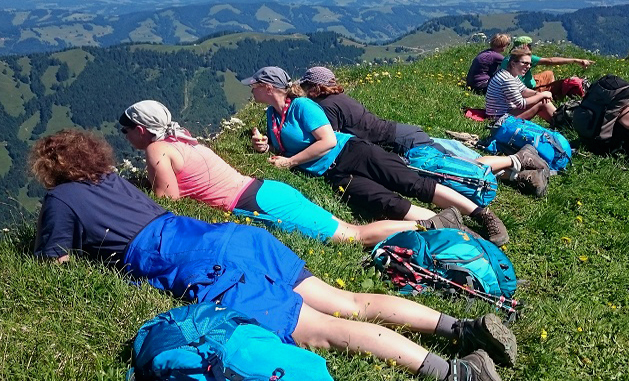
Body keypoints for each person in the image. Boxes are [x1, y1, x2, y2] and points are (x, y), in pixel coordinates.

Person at [30, 129, 517, 381]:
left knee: (323, 330)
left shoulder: (60, 199)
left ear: (49, 170)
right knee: (347, 300)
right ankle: (465, 330)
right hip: (231, 238)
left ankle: (457, 373)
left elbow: (56, 266)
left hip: (205, 265)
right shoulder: (107, 178)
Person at [119, 99, 459, 247]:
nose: (125, 136)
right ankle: (433, 223)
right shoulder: (181, 138)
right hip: (264, 189)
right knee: (349, 231)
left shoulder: (156, 149)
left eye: (126, 129)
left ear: (142, 129)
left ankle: (430, 226)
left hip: (257, 202)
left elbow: (169, 200)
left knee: (351, 236)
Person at [244, 66, 510, 246]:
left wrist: (290, 162)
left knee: (411, 183)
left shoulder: (302, 105)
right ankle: (455, 230)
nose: (251, 90)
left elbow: (328, 140)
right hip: (333, 173)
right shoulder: (271, 115)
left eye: (254, 86)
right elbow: (284, 147)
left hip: (354, 152)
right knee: (387, 204)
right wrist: (265, 146)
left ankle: (481, 214)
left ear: (269, 87)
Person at [299, 64, 552, 207]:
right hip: (404, 134)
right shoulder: (339, 97)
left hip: (402, 144)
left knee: (457, 169)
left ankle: (515, 159)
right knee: (455, 168)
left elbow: (333, 142)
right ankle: (522, 174)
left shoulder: (325, 106)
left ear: (312, 87)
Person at [502, 36, 594, 100]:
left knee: (548, 73)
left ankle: (551, 94)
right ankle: (551, 95)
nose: (531, 48)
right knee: (563, 84)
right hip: (526, 91)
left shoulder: (509, 58)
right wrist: (575, 60)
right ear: (525, 46)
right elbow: (550, 61)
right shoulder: (524, 57)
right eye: (529, 45)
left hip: (517, 89)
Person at [486, 48, 558, 125]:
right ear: (513, 64)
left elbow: (523, 90)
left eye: (530, 64)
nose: (528, 66)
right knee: (542, 102)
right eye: (525, 63)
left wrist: (538, 94)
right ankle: (562, 122)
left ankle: (559, 121)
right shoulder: (507, 79)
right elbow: (521, 103)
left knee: (542, 99)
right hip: (500, 118)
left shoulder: (510, 74)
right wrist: (542, 95)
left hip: (502, 113)